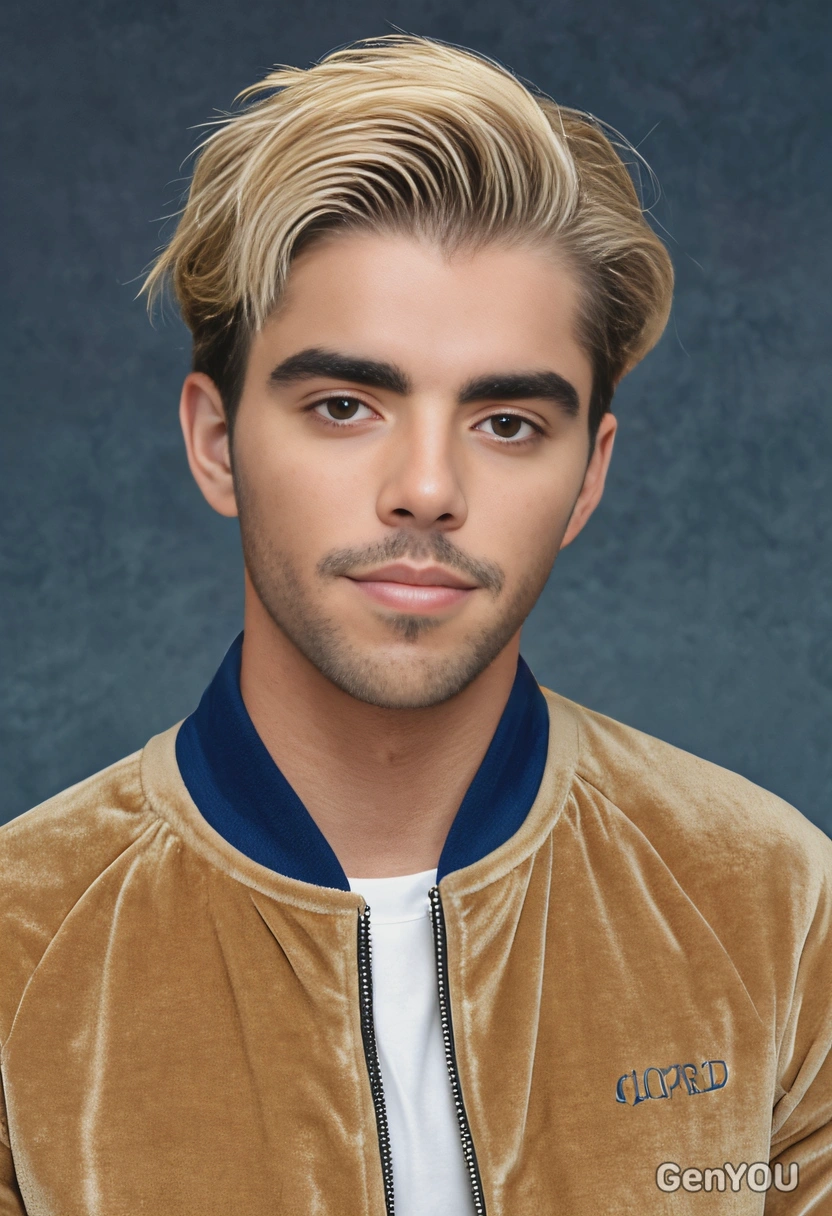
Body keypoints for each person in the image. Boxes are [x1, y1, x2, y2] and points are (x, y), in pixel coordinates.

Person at [1, 35, 829, 1216]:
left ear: (588, 477)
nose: (427, 487)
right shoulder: (19, 945)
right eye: (345, 405)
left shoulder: (776, 904)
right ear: (216, 441)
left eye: (505, 422)